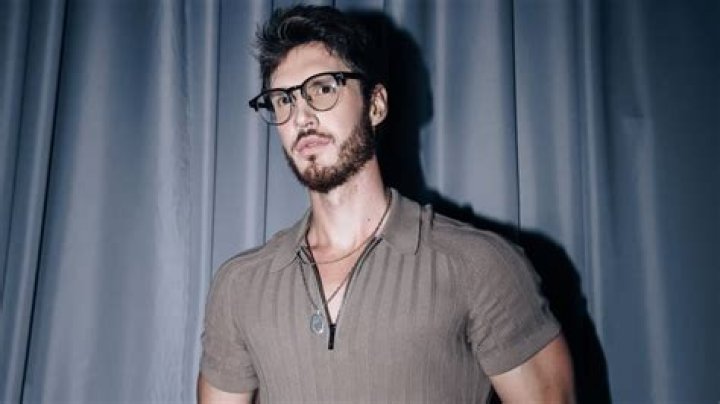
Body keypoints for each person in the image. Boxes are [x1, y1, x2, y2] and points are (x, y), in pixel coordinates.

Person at [198, 4, 574, 403]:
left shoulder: (479, 265)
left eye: (323, 89)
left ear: (375, 104)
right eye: (282, 100)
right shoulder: (239, 285)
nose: (300, 116)